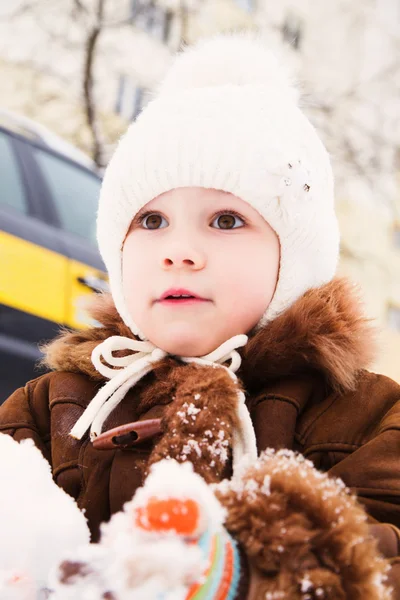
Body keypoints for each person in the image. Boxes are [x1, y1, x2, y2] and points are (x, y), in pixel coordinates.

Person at [0, 33, 399, 599]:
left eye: (227, 221)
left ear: (294, 258)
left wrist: (243, 574)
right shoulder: (51, 408)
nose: (178, 251)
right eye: (152, 221)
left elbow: (384, 557)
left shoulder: (363, 417)